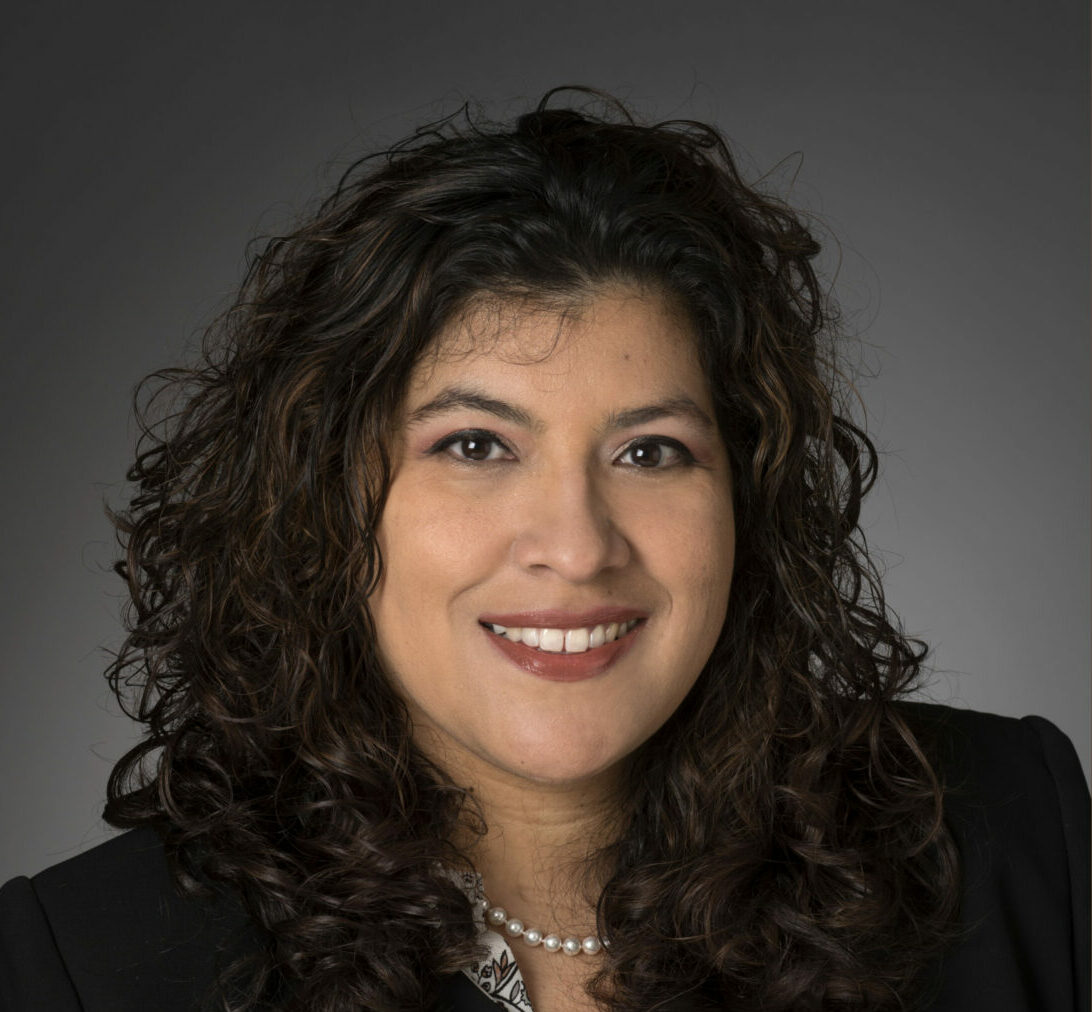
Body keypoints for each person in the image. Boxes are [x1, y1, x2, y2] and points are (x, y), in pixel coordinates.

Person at [0, 89, 1087, 1012]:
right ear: (325, 497)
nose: (575, 547)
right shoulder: (82, 966)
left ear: (745, 499)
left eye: (651, 452)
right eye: (476, 445)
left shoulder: (1014, 836)